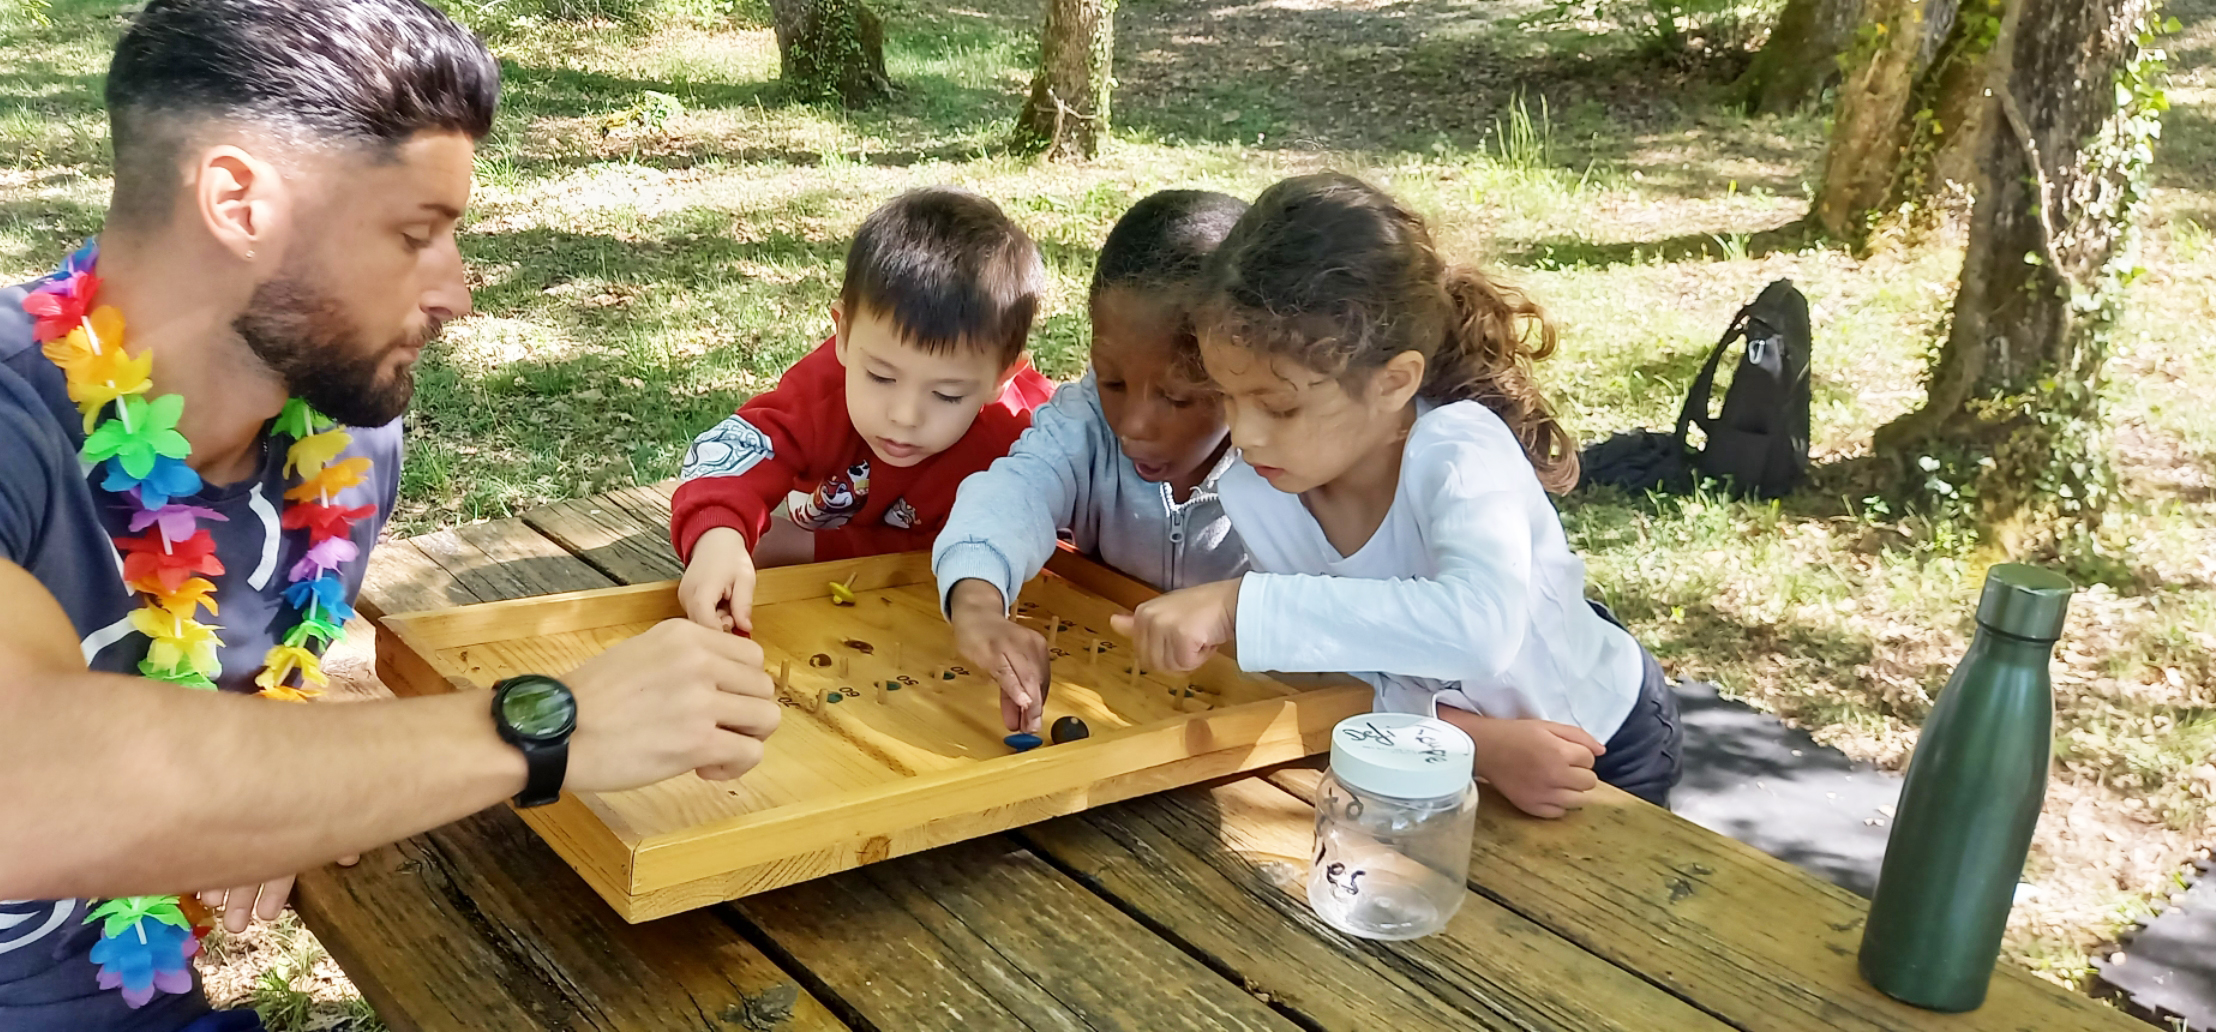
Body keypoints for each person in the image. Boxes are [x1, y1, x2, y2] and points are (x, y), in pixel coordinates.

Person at [0, 0, 778, 1029]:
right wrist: (546, 729)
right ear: (239, 203)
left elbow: (221, 716)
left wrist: (271, 791)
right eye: (415, 234)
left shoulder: (344, 448)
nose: (457, 292)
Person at [1111, 173, 1683, 817]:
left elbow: (1479, 629)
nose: (1243, 435)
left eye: (1279, 407)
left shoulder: (1460, 451)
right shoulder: (1260, 492)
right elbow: (1356, 668)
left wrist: (1236, 605)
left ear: (1393, 382)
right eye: (1227, 396)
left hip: (1599, 740)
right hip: (1447, 751)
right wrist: (1482, 746)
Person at [932, 189, 1250, 734]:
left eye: (1177, 397)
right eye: (1113, 381)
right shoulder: (1083, 423)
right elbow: (1014, 493)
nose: (1134, 424)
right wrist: (979, 604)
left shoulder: (1286, 463)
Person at [670, 188, 1056, 635]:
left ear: (1002, 378)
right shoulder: (823, 391)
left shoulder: (1018, 448)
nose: (905, 415)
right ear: (844, 335)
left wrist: (807, 546)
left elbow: (970, 556)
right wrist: (719, 538)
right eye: (880, 377)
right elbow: (730, 452)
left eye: (948, 395)